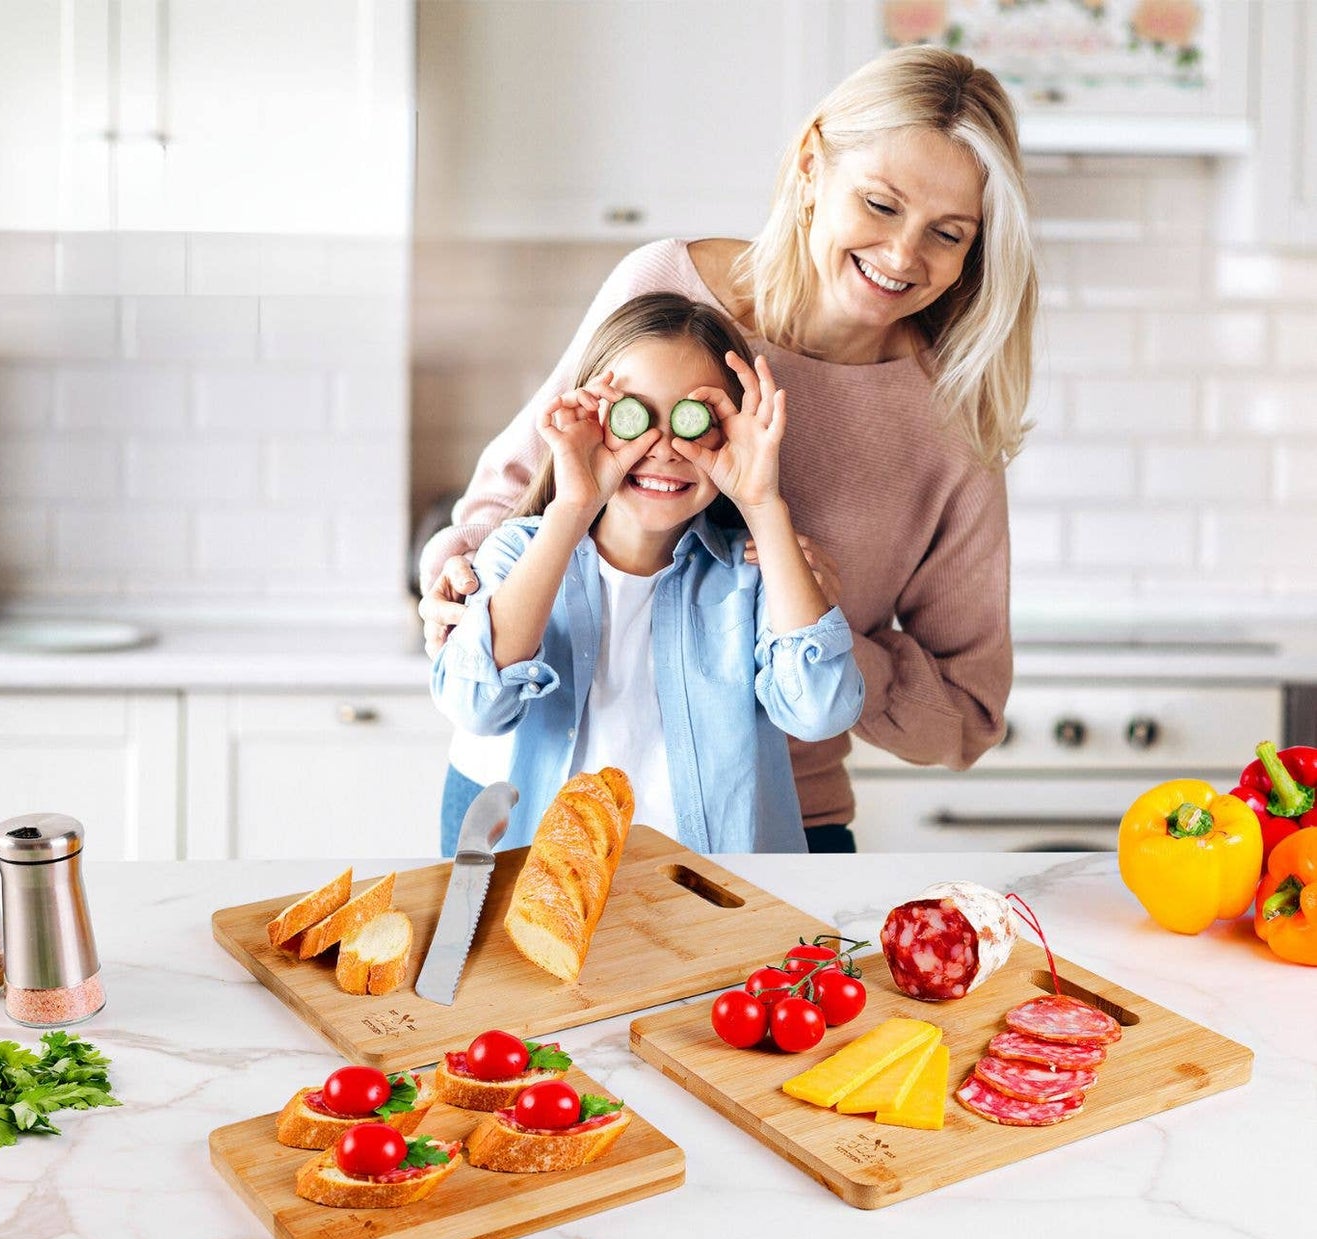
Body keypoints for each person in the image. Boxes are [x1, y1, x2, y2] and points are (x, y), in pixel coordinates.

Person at [420, 44, 1038, 855]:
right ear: (813, 166)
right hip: (533, 783)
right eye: (880, 205)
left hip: (766, 821)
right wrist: (458, 576)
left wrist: (798, 617)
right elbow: (518, 489)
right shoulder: (665, 287)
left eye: (947, 233)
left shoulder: (950, 417)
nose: (900, 256)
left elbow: (964, 713)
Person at [430, 293, 864, 854]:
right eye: (634, 417)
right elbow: (477, 705)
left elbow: (820, 712)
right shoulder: (517, 554)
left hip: (714, 901)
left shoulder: (753, 577)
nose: (662, 448)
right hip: (557, 893)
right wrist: (573, 505)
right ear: (591, 419)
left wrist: (763, 503)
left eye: (695, 419)